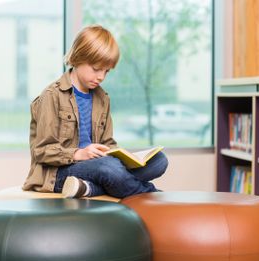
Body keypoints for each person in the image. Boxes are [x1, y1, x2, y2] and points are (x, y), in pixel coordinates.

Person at [23, 25, 168, 198]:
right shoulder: (51, 95)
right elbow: (42, 151)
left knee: (159, 161)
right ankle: (149, 193)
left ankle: (89, 188)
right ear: (77, 58)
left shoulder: (102, 98)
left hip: (97, 165)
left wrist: (125, 156)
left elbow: (107, 142)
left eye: (106, 71)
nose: (101, 77)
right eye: (96, 69)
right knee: (108, 168)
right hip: (60, 172)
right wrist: (79, 153)